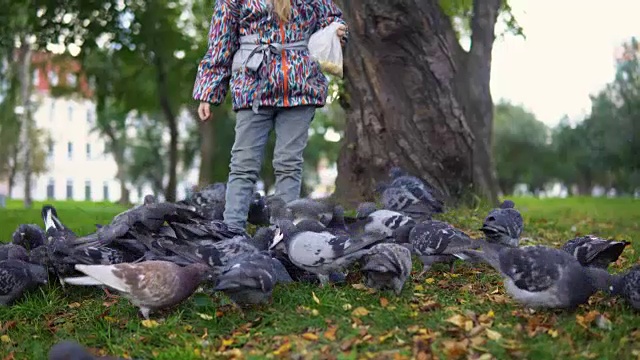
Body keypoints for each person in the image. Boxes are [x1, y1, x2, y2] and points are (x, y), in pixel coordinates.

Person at [193, 0, 348, 230]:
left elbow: (331, 18)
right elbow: (221, 42)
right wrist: (208, 92)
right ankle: (231, 232)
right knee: (243, 164)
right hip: (252, 86)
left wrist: (337, 30)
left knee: (289, 164)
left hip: (300, 86)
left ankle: (283, 234)